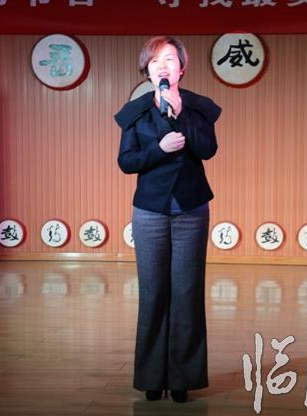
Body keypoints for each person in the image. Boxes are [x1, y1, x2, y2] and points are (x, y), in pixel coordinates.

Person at [113, 36, 221, 403]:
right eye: (156, 60)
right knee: (153, 292)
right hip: (150, 211)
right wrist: (159, 150)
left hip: (191, 208)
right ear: (146, 70)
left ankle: (182, 379)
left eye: (171, 59)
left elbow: (208, 149)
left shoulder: (198, 107)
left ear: (182, 68)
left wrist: (182, 115)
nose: (163, 66)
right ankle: (151, 378)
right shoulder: (136, 111)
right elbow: (127, 162)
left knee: (187, 292)